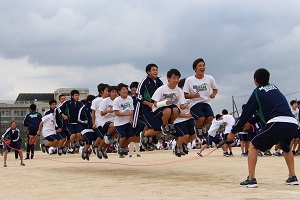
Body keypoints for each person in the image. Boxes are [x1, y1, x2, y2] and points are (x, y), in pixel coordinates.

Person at [227, 68, 299, 188]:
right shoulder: (275, 88)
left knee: (253, 145)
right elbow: (263, 115)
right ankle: (292, 177)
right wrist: (250, 122)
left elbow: (246, 113)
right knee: (286, 147)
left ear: (255, 80)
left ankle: (251, 179)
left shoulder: (257, 92)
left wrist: (233, 131)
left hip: (277, 122)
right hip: (292, 123)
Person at [183, 58, 218, 138]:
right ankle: (198, 128)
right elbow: (184, 95)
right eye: (200, 66)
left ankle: (202, 127)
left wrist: (213, 94)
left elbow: (215, 89)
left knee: (210, 118)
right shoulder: (189, 80)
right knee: (201, 118)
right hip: (194, 103)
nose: (202, 67)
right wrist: (193, 96)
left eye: (203, 65)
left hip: (206, 102)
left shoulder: (210, 78)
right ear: (195, 69)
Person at [133, 63, 164, 150]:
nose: (155, 72)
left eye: (156, 70)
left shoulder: (159, 82)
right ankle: (145, 136)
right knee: (156, 127)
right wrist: (149, 104)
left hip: (157, 108)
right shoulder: (144, 82)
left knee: (160, 126)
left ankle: (148, 140)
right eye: (153, 70)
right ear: (148, 72)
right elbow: (138, 96)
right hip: (147, 109)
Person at [152, 69, 187, 137]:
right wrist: (164, 103)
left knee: (176, 110)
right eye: (174, 78)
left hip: (171, 107)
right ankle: (164, 125)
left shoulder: (179, 91)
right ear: (169, 78)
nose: (176, 80)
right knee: (168, 110)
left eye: (177, 78)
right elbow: (155, 104)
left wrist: (185, 106)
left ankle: (171, 124)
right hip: (159, 108)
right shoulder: (161, 89)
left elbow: (182, 105)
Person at [173, 78, 197, 157]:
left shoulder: (190, 97)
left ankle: (183, 144)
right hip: (179, 120)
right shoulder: (176, 98)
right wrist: (186, 115)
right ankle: (177, 147)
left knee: (193, 136)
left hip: (189, 119)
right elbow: (175, 113)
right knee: (185, 135)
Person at [113, 83, 134, 158]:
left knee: (131, 137)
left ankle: (123, 147)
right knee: (123, 136)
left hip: (127, 122)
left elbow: (132, 110)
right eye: (123, 89)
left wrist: (131, 117)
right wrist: (127, 114)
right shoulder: (117, 100)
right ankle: (120, 147)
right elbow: (117, 113)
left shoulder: (130, 98)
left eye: (126, 89)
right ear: (119, 92)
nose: (125, 91)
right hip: (119, 123)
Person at [98, 85, 118, 159]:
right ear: (109, 93)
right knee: (111, 130)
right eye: (113, 92)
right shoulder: (105, 101)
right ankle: (100, 148)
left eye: (116, 92)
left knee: (111, 138)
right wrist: (108, 111)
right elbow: (101, 113)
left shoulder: (118, 100)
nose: (115, 93)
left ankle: (103, 149)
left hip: (116, 119)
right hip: (106, 120)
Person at [91, 83, 110, 159]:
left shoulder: (110, 100)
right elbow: (93, 112)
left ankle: (102, 148)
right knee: (103, 137)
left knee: (110, 138)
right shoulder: (96, 101)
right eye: (106, 91)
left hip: (107, 121)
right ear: (101, 91)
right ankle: (97, 147)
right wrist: (93, 123)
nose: (108, 92)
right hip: (99, 122)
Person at [78, 95, 96, 161]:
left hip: (93, 127)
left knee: (98, 138)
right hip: (84, 127)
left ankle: (89, 151)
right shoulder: (83, 108)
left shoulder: (95, 108)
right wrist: (87, 121)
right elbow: (79, 119)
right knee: (89, 140)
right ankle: (85, 151)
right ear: (89, 101)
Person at [128, 81, 143, 157]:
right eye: (132, 90)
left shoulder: (140, 98)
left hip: (139, 118)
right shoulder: (130, 99)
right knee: (132, 135)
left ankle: (138, 152)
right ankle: (130, 152)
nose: (134, 91)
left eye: (135, 90)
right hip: (132, 119)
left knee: (137, 135)